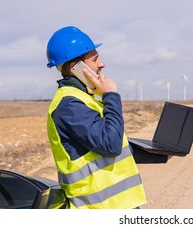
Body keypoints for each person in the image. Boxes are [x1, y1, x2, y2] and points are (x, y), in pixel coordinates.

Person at [46, 26, 167, 209]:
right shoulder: (69, 106)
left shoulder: (84, 99)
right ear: (76, 67)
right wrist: (110, 96)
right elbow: (110, 144)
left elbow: (109, 145)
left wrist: (161, 155)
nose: (102, 64)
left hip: (116, 205)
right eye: (95, 59)